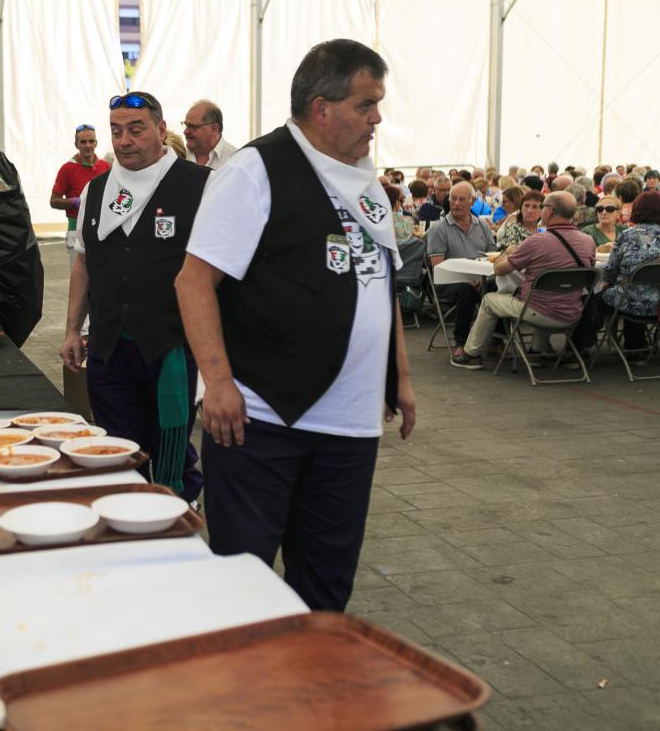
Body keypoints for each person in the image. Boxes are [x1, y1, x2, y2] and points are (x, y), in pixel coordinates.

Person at [174, 39, 415, 612]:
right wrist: (218, 383)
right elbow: (193, 281)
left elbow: (379, 284)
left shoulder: (367, 182)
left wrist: (399, 378)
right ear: (321, 108)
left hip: (351, 425)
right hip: (261, 418)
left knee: (327, 584)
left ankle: (312, 670)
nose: (377, 118)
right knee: (244, 583)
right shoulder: (255, 171)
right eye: (366, 104)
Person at [59, 92, 209, 503]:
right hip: (109, 348)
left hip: (170, 347)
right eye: (116, 131)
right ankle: (130, 514)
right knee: (118, 446)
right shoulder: (96, 190)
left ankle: (179, 514)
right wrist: (72, 330)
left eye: (136, 129)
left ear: (161, 130)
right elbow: (83, 263)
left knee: (171, 446)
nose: (124, 140)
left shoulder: (201, 185)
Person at [452, 192, 595, 369]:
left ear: (549, 211)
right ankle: (536, 352)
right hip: (572, 312)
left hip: (538, 311)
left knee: (489, 300)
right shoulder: (588, 241)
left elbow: (499, 269)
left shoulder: (536, 241)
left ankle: (470, 354)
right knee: (547, 293)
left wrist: (507, 252)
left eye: (541, 207)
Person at [427, 181, 496, 360]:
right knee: (466, 290)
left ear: (472, 202)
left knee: (498, 287)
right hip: (449, 281)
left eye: (461, 199)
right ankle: (461, 343)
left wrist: (480, 279)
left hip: (481, 278)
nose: (456, 203)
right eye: (453, 199)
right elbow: (438, 266)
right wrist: (468, 279)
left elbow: (492, 256)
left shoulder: (482, 226)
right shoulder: (438, 229)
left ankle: (496, 340)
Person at [597, 191, 660, 354]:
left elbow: (611, 271)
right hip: (657, 303)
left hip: (629, 301)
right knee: (635, 288)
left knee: (594, 298)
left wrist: (608, 283)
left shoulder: (627, 235)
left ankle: (579, 347)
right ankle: (636, 347)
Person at [50, 124, 111, 265]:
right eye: (83, 142)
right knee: (79, 276)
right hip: (76, 231)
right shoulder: (67, 169)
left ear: (96, 143)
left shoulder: (105, 166)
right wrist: (74, 202)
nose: (87, 145)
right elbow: (53, 201)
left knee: (102, 274)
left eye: (91, 141)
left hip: (102, 230)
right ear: (76, 144)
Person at [182, 100, 237, 169]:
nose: (185, 132)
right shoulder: (180, 156)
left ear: (214, 129)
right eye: (186, 125)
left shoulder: (235, 159)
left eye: (193, 127)